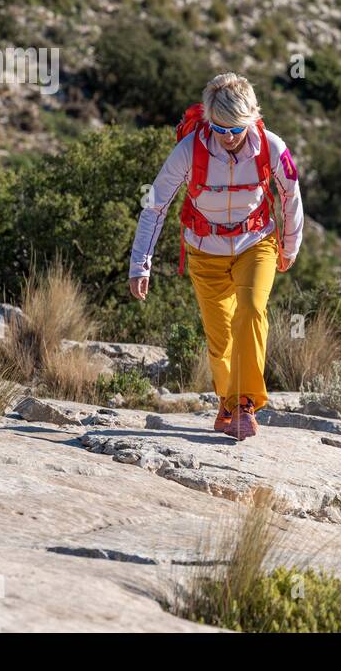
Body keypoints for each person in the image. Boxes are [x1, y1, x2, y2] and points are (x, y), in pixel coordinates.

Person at [128, 73, 303, 440]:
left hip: (256, 243)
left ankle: (244, 404)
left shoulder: (272, 146)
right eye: (220, 128)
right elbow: (155, 206)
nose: (228, 137)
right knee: (220, 337)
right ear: (209, 119)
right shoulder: (188, 150)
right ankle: (227, 399)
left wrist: (289, 246)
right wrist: (139, 264)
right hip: (204, 250)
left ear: (252, 117)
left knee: (252, 311)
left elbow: (291, 194)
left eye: (236, 129)